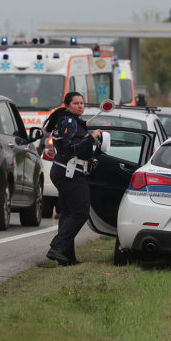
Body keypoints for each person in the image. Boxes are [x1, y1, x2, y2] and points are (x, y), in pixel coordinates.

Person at [43, 92, 102, 266]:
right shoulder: (69, 122)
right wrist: (90, 138)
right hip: (69, 172)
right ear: (67, 105)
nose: (80, 106)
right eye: (76, 103)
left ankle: (67, 257)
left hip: (66, 171)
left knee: (69, 212)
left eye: (82, 103)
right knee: (80, 212)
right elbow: (70, 148)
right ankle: (57, 247)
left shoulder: (71, 121)